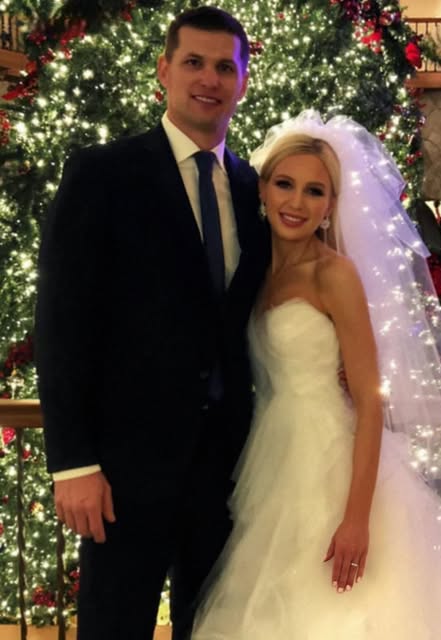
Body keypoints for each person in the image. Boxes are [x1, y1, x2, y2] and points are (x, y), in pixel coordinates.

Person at [192, 111, 441, 639]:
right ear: (263, 189)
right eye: (285, 184)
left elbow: (368, 398)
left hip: (332, 466)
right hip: (270, 459)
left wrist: (357, 518)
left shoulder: (335, 274)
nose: (297, 202)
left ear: (330, 206)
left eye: (314, 191)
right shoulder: (253, 271)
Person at [34, 7, 268, 640]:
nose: (209, 79)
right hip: (121, 470)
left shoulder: (255, 189)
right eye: (193, 62)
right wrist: (73, 463)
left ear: (243, 82)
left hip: (227, 471)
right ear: (164, 70)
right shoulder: (103, 173)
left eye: (225, 67)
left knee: (213, 629)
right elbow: (61, 323)